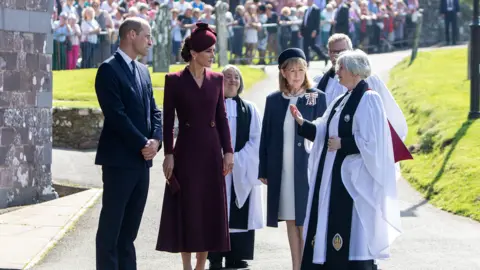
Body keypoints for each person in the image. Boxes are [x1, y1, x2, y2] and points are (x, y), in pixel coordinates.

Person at [291, 49, 404, 270]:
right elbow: (324, 129)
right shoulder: (342, 100)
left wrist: (344, 144)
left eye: (341, 67)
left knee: (351, 229)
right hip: (332, 176)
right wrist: (303, 123)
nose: (337, 71)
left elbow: (374, 141)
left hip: (354, 179)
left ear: (354, 71)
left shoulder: (369, 98)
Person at [156, 22, 234, 270]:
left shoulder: (217, 80)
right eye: (209, 51)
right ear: (194, 53)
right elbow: (168, 121)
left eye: (213, 50)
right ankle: (187, 266)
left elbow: (221, 117)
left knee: (208, 209)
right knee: (188, 208)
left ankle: (201, 265)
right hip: (186, 152)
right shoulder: (174, 80)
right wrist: (168, 154)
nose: (213, 55)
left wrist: (228, 151)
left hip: (211, 153)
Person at [94, 17, 162, 270]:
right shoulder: (108, 70)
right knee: (111, 230)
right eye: (147, 35)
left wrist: (156, 140)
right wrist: (144, 142)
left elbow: (155, 111)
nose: (151, 41)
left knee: (129, 233)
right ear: (131, 35)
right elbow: (116, 115)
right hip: (119, 162)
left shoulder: (143, 70)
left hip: (142, 163)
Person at [259, 48, 327, 270]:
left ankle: (309, 265)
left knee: (305, 221)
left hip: (306, 171)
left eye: (301, 70)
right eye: (292, 70)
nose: (297, 75)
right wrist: (264, 169)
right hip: (283, 170)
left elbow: (323, 133)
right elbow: (266, 136)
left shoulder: (316, 97)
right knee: (290, 219)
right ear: (283, 73)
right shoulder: (274, 100)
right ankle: (296, 265)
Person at [208, 65, 265, 270]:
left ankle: (237, 255)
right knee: (214, 211)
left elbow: (257, 140)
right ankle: (214, 256)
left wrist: (237, 159)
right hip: (215, 169)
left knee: (239, 211)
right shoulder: (210, 106)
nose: (232, 80)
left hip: (241, 168)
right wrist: (219, 158)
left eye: (236, 77)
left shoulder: (250, 109)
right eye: (227, 76)